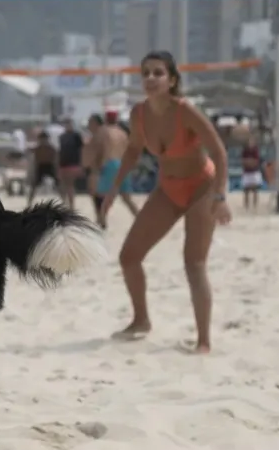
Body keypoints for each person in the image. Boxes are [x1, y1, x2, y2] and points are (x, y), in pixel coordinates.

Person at [101, 50, 232, 354]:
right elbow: (133, 151)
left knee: (194, 263)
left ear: (172, 80)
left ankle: (203, 341)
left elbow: (219, 152)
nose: (150, 78)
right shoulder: (139, 115)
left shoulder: (185, 110)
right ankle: (141, 320)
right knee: (129, 256)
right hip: (169, 189)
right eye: (145, 73)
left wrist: (220, 195)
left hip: (202, 187)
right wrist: (113, 190)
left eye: (158, 73)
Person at [92, 111, 140, 228]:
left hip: (110, 163)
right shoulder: (123, 132)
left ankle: (101, 220)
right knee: (126, 197)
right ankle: (139, 218)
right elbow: (129, 150)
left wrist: (100, 164)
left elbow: (104, 148)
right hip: (123, 163)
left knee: (102, 195)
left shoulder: (104, 131)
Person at [56, 117, 85, 210]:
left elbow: (82, 149)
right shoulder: (62, 136)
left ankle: (71, 206)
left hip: (73, 163)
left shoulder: (76, 135)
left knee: (69, 185)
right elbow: (60, 150)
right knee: (62, 185)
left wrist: (82, 163)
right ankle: (65, 204)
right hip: (63, 163)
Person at [26, 130, 58, 205]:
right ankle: (29, 202)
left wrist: (56, 170)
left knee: (58, 185)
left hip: (50, 166)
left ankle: (65, 200)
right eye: (41, 139)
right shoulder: (37, 148)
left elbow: (55, 160)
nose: (43, 141)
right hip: (40, 167)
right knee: (34, 186)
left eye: (44, 139)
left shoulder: (51, 148)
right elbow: (30, 153)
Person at [239, 138, 263, 211]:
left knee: (255, 190)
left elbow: (256, 162)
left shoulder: (256, 151)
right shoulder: (244, 151)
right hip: (247, 172)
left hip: (254, 172)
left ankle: (255, 205)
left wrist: (249, 162)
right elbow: (243, 162)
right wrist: (249, 162)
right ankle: (246, 206)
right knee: (246, 190)